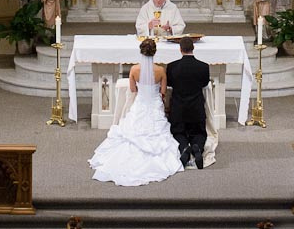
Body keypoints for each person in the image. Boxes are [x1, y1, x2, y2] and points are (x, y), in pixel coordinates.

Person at [88, 38, 183, 186]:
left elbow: (133, 90)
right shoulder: (160, 71)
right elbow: (163, 92)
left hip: (141, 103)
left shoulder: (134, 70)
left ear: (141, 52)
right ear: (154, 52)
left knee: (131, 130)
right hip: (154, 104)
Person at [166, 36, 210, 169]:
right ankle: (197, 147)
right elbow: (204, 83)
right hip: (196, 108)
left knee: (178, 132)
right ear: (193, 48)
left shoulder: (172, 67)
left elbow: (170, 83)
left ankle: (184, 148)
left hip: (178, 109)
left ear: (180, 49)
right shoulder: (203, 67)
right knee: (199, 132)